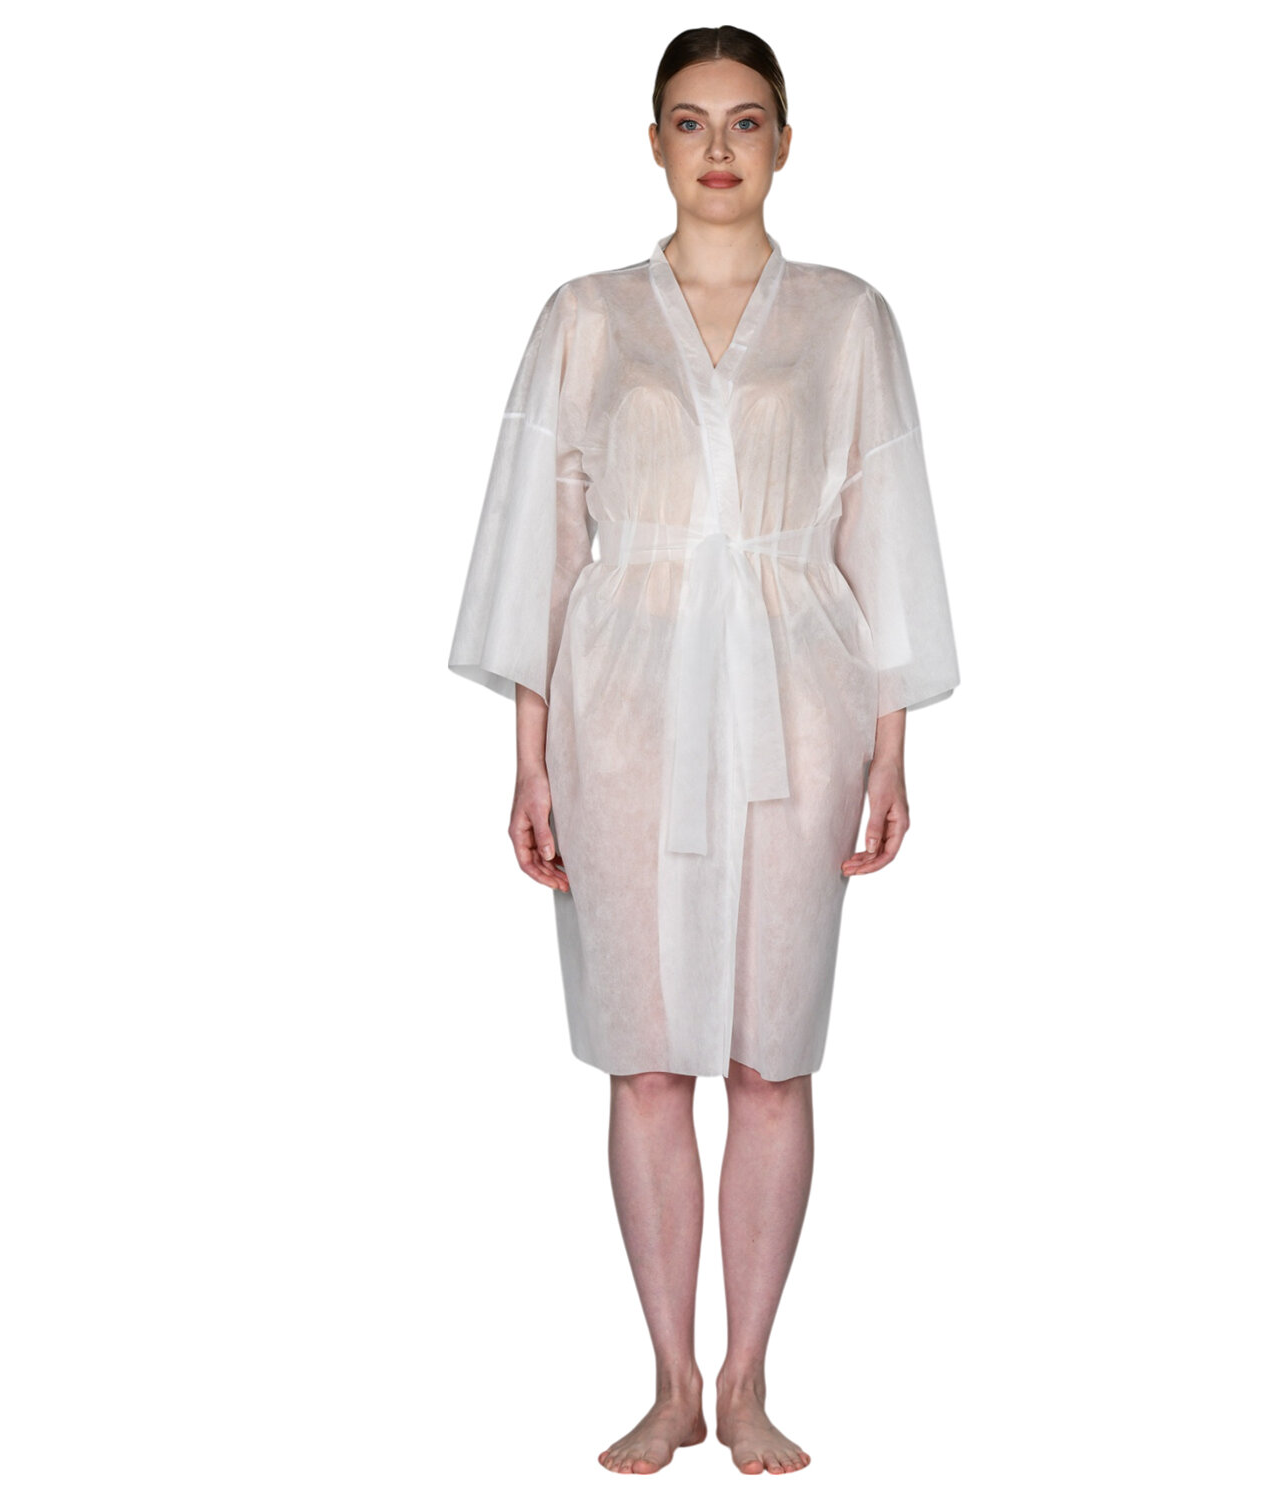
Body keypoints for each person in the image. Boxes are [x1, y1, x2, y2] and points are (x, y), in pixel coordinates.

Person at [447, 26, 960, 1476]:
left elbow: (886, 535)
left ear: (786, 141)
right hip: (620, 714)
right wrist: (529, 758)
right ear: (655, 143)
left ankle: (748, 1380)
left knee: (772, 1055)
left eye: (745, 121)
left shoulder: (848, 319)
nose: (719, 148)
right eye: (690, 121)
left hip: (800, 709)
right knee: (647, 1056)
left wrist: (893, 750)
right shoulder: (587, 316)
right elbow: (541, 545)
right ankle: (670, 1379)